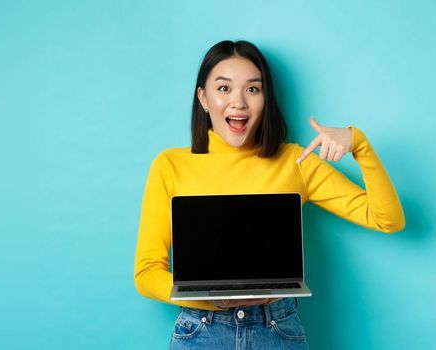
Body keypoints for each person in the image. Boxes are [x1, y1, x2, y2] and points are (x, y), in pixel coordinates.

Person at [133, 40, 405, 349]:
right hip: (201, 331)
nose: (239, 103)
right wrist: (213, 301)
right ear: (203, 98)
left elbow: (388, 219)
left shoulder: (296, 161)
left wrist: (359, 144)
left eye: (252, 89)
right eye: (224, 89)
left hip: (276, 330)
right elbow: (146, 272)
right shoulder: (170, 165)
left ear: (265, 98)